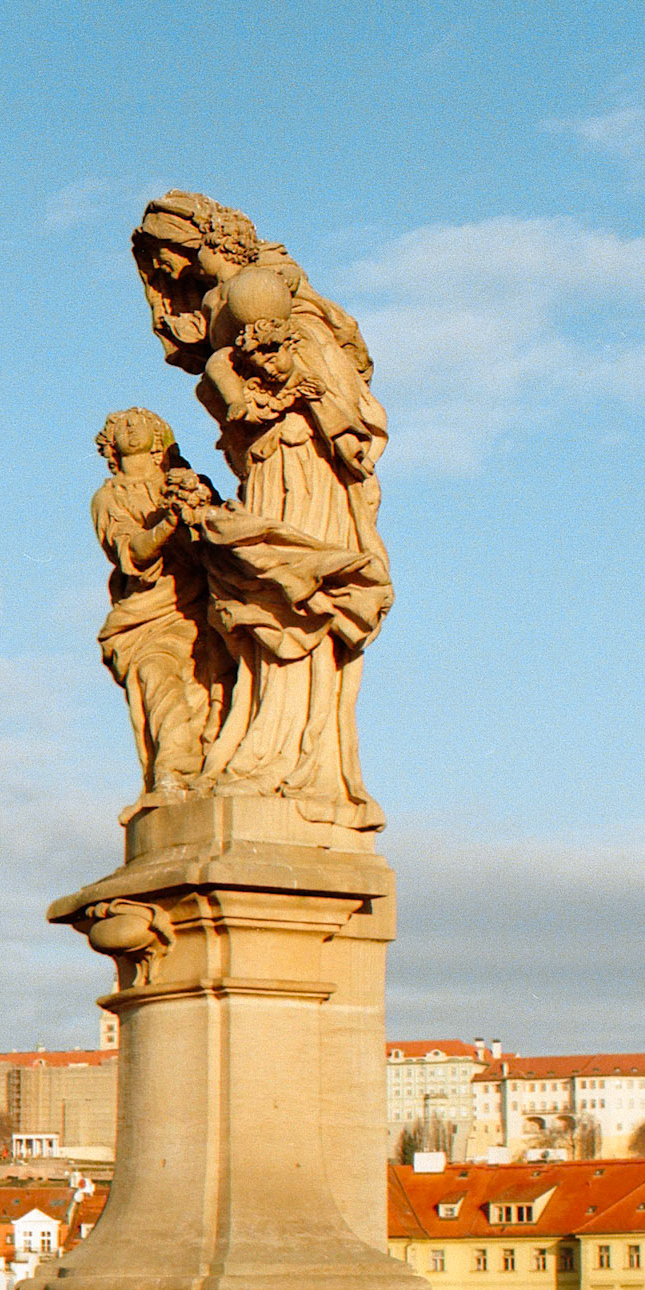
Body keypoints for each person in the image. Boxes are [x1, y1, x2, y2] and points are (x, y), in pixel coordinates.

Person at [132, 195, 393, 827]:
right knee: (255, 594)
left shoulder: (270, 296)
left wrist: (302, 405)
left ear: (199, 240)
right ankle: (254, 743)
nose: (165, 274)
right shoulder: (236, 304)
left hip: (304, 460)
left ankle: (297, 761)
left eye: (166, 254)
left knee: (291, 591)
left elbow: (331, 391)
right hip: (268, 461)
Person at [90, 407, 226, 806]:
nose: (132, 429)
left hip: (199, 605)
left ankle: (204, 774)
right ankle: (171, 770)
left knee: (205, 691)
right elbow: (130, 551)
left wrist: (198, 504)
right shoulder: (109, 498)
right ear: (111, 442)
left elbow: (219, 533)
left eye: (141, 424)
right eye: (122, 426)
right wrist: (168, 523)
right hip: (147, 615)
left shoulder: (185, 481)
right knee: (157, 677)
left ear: (158, 437)